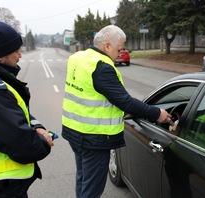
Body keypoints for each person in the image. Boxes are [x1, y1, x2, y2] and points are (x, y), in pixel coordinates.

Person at [62, 25, 171, 198]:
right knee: (91, 189)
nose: (120, 53)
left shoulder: (78, 58)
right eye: (119, 49)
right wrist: (157, 113)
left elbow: (93, 94)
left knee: (82, 179)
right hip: (94, 138)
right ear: (107, 46)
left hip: (74, 131)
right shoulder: (101, 67)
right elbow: (125, 102)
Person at [0, 21, 54, 197]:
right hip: (0, 188)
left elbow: (14, 110)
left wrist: (36, 126)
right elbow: (24, 146)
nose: (20, 55)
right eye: (15, 51)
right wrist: (44, 143)